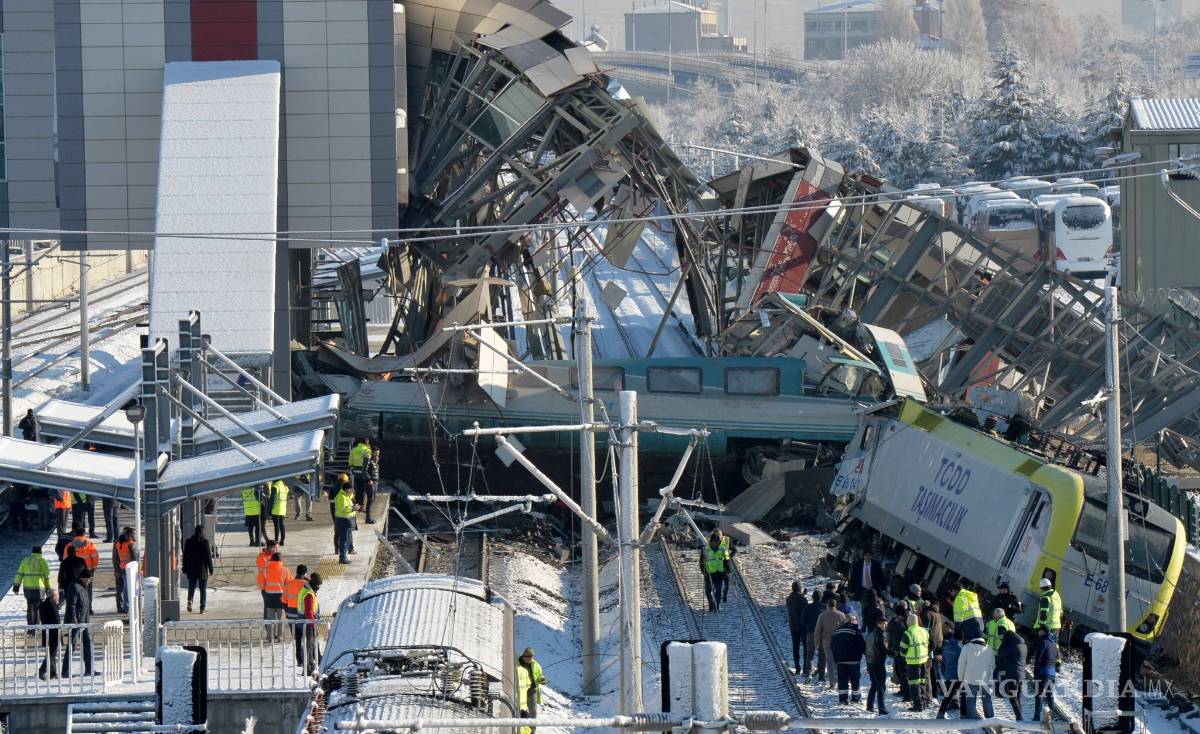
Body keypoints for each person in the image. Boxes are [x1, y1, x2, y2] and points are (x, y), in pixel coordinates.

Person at [62, 569, 94, 677]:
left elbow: (84, 605)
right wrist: (75, 622)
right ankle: (65, 671)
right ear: (83, 578)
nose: (90, 580)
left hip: (84, 622)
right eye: (89, 578)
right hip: (76, 623)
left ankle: (89, 669)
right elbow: (71, 606)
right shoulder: (75, 587)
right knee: (72, 646)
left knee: (87, 645)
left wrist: (86, 620)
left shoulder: (83, 587)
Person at [958, 634, 996, 719]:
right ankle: (991, 719)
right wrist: (990, 679)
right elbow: (992, 665)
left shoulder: (966, 648)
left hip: (970, 679)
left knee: (971, 700)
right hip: (984, 679)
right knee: (987, 699)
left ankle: (971, 720)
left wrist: (961, 678)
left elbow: (961, 664)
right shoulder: (989, 649)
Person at [13, 545, 51, 628]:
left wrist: (16, 586)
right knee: (38, 608)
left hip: (28, 588)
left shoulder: (25, 561)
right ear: (41, 552)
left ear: (32, 552)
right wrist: (48, 588)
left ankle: (30, 628)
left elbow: (19, 574)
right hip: (39, 589)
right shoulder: (43, 561)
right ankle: (36, 627)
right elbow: (47, 577)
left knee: (29, 607)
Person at [832, 613, 865, 705]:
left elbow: (833, 646)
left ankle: (843, 699)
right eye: (855, 619)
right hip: (853, 660)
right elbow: (861, 645)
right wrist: (861, 654)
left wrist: (836, 658)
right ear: (851, 620)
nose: (856, 621)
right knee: (855, 680)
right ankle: (856, 698)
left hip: (840, 660)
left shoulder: (836, 631)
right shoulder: (855, 630)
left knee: (842, 680)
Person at [258, 551, 292, 641]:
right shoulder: (285, 570)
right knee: (280, 617)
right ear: (281, 560)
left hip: (269, 596)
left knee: (270, 617)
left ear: (272, 559)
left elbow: (260, 582)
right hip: (281, 596)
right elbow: (289, 584)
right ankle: (280, 636)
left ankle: (270, 637)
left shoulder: (266, 569)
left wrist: (264, 590)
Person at [900, 612, 930, 712]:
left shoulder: (908, 633)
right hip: (923, 660)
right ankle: (924, 701)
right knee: (922, 682)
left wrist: (903, 655)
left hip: (913, 662)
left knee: (914, 684)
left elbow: (903, 649)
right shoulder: (924, 631)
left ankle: (918, 705)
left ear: (909, 622)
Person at [996, 627, 1028, 720]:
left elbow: (1001, 655)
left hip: (1012, 675)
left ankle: (1019, 718)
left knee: (1012, 697)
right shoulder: (1023, 645)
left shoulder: (1011, 646)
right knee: (1017, 697)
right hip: (1021, 675)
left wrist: (1004, 644)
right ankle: (1020, 717)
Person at [814, 597, 847, 688]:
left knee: (829, 661)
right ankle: (839, 679)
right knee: (838, 661)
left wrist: (816, 642)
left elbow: (817, 631)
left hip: (827, 641)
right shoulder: (841, 615)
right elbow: (845, 629)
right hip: (839, 641)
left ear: (827, 605)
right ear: (836, 605)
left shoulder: (822, 615)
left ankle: (832, 682)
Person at [182, 525, 214, 614]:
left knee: (191, 587)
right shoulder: (205, 542)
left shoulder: (189, 542)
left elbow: (185, 557)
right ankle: (202, 608)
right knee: (203, 589)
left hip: (191, 569)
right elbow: (208, 557)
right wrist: (211, 569)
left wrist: (184, 568)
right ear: (202, 532)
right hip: (202, 570)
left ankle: (190, 601)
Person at [296, 571, 322, 674]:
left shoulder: (308, 590)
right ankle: (308, 667)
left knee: (312, 644)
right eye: (318, 586)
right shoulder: (309, 594)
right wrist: (312, 624)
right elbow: (308, 612)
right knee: (309, 645)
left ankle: (317, 661)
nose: (319, 588)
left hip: (308, 622)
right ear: (315, 584)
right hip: (308, 623)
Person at [517, 647, 548, 734]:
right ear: (524, 656)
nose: (530, 659)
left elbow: (539, 676)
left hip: (532, 691)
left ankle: (532, 731)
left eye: (531, 657)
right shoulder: (517, 663)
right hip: (520, 691)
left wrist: (542, 679)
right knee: (521, 711)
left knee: (533, 712)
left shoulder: (536, 665)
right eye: (528, 657)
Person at [936, 630, 965, 719]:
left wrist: (945, 674)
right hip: (959, 676)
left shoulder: (946, 647)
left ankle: (940, 714)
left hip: (948, 676)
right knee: (963, 695)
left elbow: (943, 662)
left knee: (948, 696)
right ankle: (963, 715)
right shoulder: (960, 649)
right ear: (960, 639)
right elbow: (963, 663)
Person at [69, 527, 100, 610]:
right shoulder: (90, 544)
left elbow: (66, 558)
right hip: (88, 571)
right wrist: (94, 568)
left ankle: (78, 607)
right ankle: (88, 608)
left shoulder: (70, 545)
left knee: (76, 589)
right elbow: (95, 557)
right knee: (88, 589)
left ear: (76, 534)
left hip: (74, 571)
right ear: (84, 534)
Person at [864, 615, 890, 715]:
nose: (885, 626)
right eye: (884, 624)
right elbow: (884, 649)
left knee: (874, 685)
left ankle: (869, 706)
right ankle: (882, 708)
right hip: (878, 663)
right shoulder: (880, 635)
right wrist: (894, 653)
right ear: (878, 624)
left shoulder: (870, 634)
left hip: (870, 662)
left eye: (886, 624)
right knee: (881, 686)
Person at [1031, 627, 1057, 721]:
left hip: (1043, 672)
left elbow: (1038, 658)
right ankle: (1052, 715)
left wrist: (1035, 672)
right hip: (1052, 673)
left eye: (1039, 630)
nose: (1038, 632)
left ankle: (1036, 716)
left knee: (1039, 694)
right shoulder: (1053, 643)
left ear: (1043, 632)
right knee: (1050, 694)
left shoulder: (1043, 642)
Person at [700, 531, 729, 612]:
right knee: (708, 591)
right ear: (712, 541)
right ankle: (711, 604)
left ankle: (717, 605)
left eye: (719, 542)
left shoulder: (723, 549)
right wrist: (703, 572)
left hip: (719, 573)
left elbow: (727, 560)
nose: (718, 544)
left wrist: (728, 571)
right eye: (717, 542)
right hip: (709, 573)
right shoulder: (705, 550)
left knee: (718, 591)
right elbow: (701, 562)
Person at [887, 602, 910, 701]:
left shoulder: (900, 623)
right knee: (900, 672)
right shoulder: (900, 622)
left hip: (900, 651)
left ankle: (907, 694)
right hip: (898, 650)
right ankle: (903, 690)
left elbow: (893, 635)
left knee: (903, 673)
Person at [284, 563, 309, 654]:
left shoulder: (289, 584)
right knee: (308, 638)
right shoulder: (307, 585)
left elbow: (283, 601)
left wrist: (287, 612)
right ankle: (308, 658)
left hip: (291, 616)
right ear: (305, 573)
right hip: (303, 616)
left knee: (297, 639)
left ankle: (299, 659)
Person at [923, 601, 946, 703]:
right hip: (939, 642)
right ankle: (940, 691)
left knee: (931, 669)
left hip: (931, 644)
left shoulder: (927, 614)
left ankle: (936, 692)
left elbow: (925, 631)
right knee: (936, 668)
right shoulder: (937, 614)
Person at [333, 478, 359, 564]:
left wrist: (354, 508)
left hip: (348, 521)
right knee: (344, 540)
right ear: (347, 489)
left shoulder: (346, 496)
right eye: (350, 489)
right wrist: (353, 508)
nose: (351, 491)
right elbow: (343, 509)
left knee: (347, 540)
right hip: (343, 521)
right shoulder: (341, 497)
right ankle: (342, 558)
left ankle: (344, 556)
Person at [37, 589, 61, 679]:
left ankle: (53, 673)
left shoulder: (43, 604)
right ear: (52, 597)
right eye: (57, 596)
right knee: (52, 654)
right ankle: (42, 671)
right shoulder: (52, 605)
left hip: (47, 632)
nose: (58, 597)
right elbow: (56, 620)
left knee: (51, 653)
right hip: (53, 633)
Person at [112, 529, 138, 614]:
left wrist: (117, 570)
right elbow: (135, 557)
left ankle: (126, 606)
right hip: (130, 569)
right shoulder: (131, 544)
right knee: (128, 589)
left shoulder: (118, 544)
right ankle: (128, 606)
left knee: (124, 588)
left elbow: (115, 558)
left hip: (122, 568)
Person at [786, 582, 809, 674]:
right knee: (805, 648)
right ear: (799, 588)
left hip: (793, 627)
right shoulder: (803, 600)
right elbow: (805, 610)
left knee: (795, 648)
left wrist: (802, 594)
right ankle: (805, 667)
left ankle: (797, 668)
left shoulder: (789, 599)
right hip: (803, 627)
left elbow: (796, 601)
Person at [801, 585, 823, 681]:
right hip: (822, 634)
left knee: (809, 654)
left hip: (810, 633)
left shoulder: (808, 607)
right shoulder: (824, 607)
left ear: (813, 598)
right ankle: (821, 673)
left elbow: (803, 620)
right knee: (822, 654)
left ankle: (808, 672)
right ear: (821, 597)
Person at [1033, 577, 1062, 643]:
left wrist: (1042, 628)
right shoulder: (1056, 595)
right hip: (1057, 626)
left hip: (1048, 627)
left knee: (1042, 645)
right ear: (1050, 586)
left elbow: (1043, 614)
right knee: (1054, 645)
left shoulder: (1045, 598)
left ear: (1041, 588)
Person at [362, 443, 381, 523]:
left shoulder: (376, 460)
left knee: (373, 499)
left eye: (378, 453)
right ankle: (368, 518)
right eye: (376, 453)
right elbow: (364, 470)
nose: (377, 454)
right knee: (370, 499)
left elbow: (376, 471)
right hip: (370, 482)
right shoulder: (368, 459)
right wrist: (369, 479)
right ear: (372, 452)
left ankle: (369, 516)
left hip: (375, 481)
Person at [269, 478, 289, 546]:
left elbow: (272, 500)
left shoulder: (275, 487)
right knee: (282, 525)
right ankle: (282, 540)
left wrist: (269, 510)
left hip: (276, 509)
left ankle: (276, 540)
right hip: (283, 509)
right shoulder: (284, 486)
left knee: (276, 526)